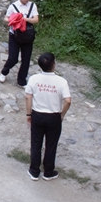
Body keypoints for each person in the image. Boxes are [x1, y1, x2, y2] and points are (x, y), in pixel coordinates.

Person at [24, 52, 71, 181]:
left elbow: (28, 96)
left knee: (35, 143)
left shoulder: (34, 79)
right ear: (54, 65)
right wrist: (61, 115)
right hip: (54, 116)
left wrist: (29, 114)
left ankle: (34, 171)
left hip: (37, 115)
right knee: (51, 145)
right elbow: (68, 100)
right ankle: (48, 171)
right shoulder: (61, 81)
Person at [1, 0, 39, 86]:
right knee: (13, 58)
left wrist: (25, 19)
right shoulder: (13, 6)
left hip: (27, 35)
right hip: (15, 35)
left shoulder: (32, 6)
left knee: (26, 59)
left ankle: (22, 80)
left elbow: (36, 19)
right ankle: (4, 71)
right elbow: (6, 18)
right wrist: (14, 20)